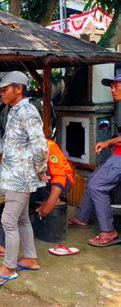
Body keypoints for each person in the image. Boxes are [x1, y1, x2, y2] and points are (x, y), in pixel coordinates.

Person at [0, 71, 48, 287]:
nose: (1, 92)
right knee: (22, 219)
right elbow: (6, 143)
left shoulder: (28, 112)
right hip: (16, 177)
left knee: (8, 221)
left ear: (18, 89)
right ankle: (31, 259)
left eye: (5, 89)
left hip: (21, 179)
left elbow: (41, 147)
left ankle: (9, 266)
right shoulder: (15, 111)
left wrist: (41, 171)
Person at [0, 138, 74, 257]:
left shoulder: (49, 146)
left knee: (44, 173)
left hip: (63, 182)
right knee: (14, 200)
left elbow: (59, 178)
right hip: (39, 185)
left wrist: (49, 205)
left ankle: (53, 199)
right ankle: (2, 244)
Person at [68, 74, 121, 247]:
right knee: (92, 179)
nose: (112, 90)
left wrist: (108, 142)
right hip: (118, 153)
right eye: (111, 86)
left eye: (116, 86)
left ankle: (109, 232)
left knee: (97, 185)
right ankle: (82, 218)